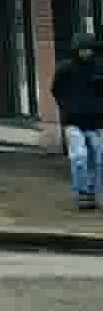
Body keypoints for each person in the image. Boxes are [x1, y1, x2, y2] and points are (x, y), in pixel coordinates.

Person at [51, 33, 103, 212]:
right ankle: (82, 192)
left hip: (96, 121)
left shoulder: (99, 68)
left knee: (98, 157)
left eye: (88, 49)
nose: (85, 53)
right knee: (80, 156)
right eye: (82, 50)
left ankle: (93, 193)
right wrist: (67, 109)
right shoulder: (65, 69)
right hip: (73, 121)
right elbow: (56, 90)